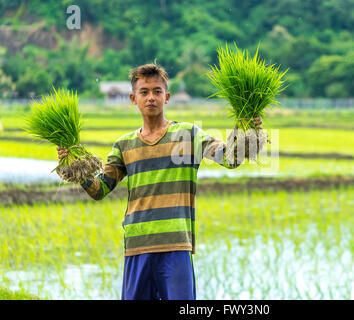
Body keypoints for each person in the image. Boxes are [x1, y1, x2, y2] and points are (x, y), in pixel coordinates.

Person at [57, 63, 263, 300]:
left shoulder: (189, 134)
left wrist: (247, 132)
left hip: (175, 245)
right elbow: (99, 189)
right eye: (144, 92)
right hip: (137, 245)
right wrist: (74, 166)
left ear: (167, 97)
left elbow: (230, 158)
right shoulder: (123, 145)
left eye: (157, 91)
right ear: (133, 98)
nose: (151, 97)